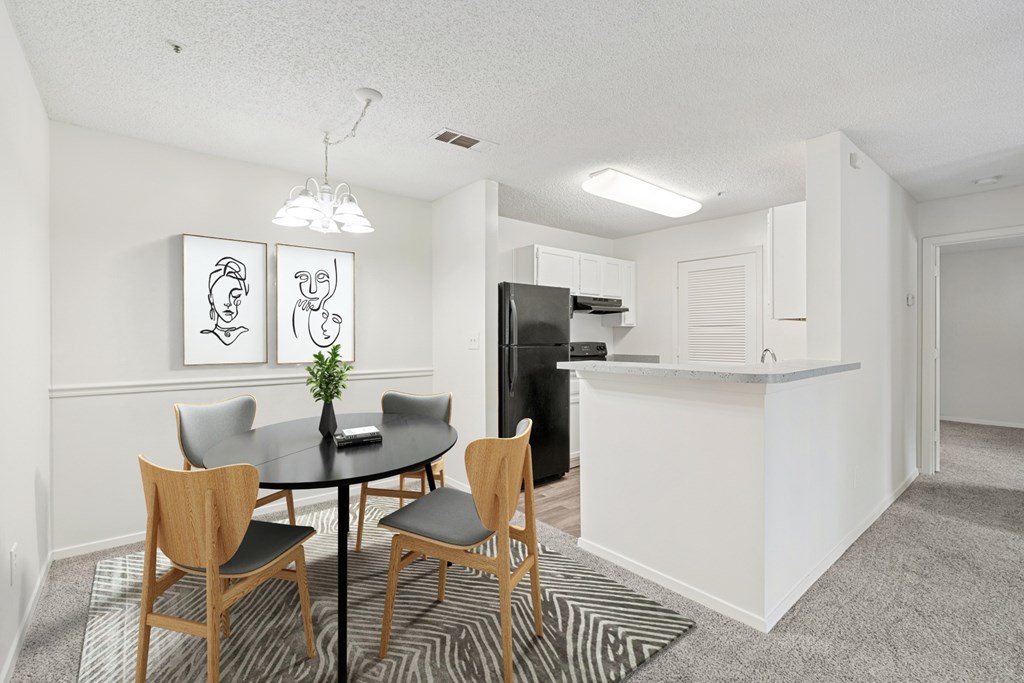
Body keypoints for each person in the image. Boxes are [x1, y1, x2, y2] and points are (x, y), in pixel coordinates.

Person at [200, 256, 250, 346]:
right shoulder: (205, 337)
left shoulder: (247, 334)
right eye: (221, 295)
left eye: (235, 295)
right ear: (211, 298)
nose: (228, 303)